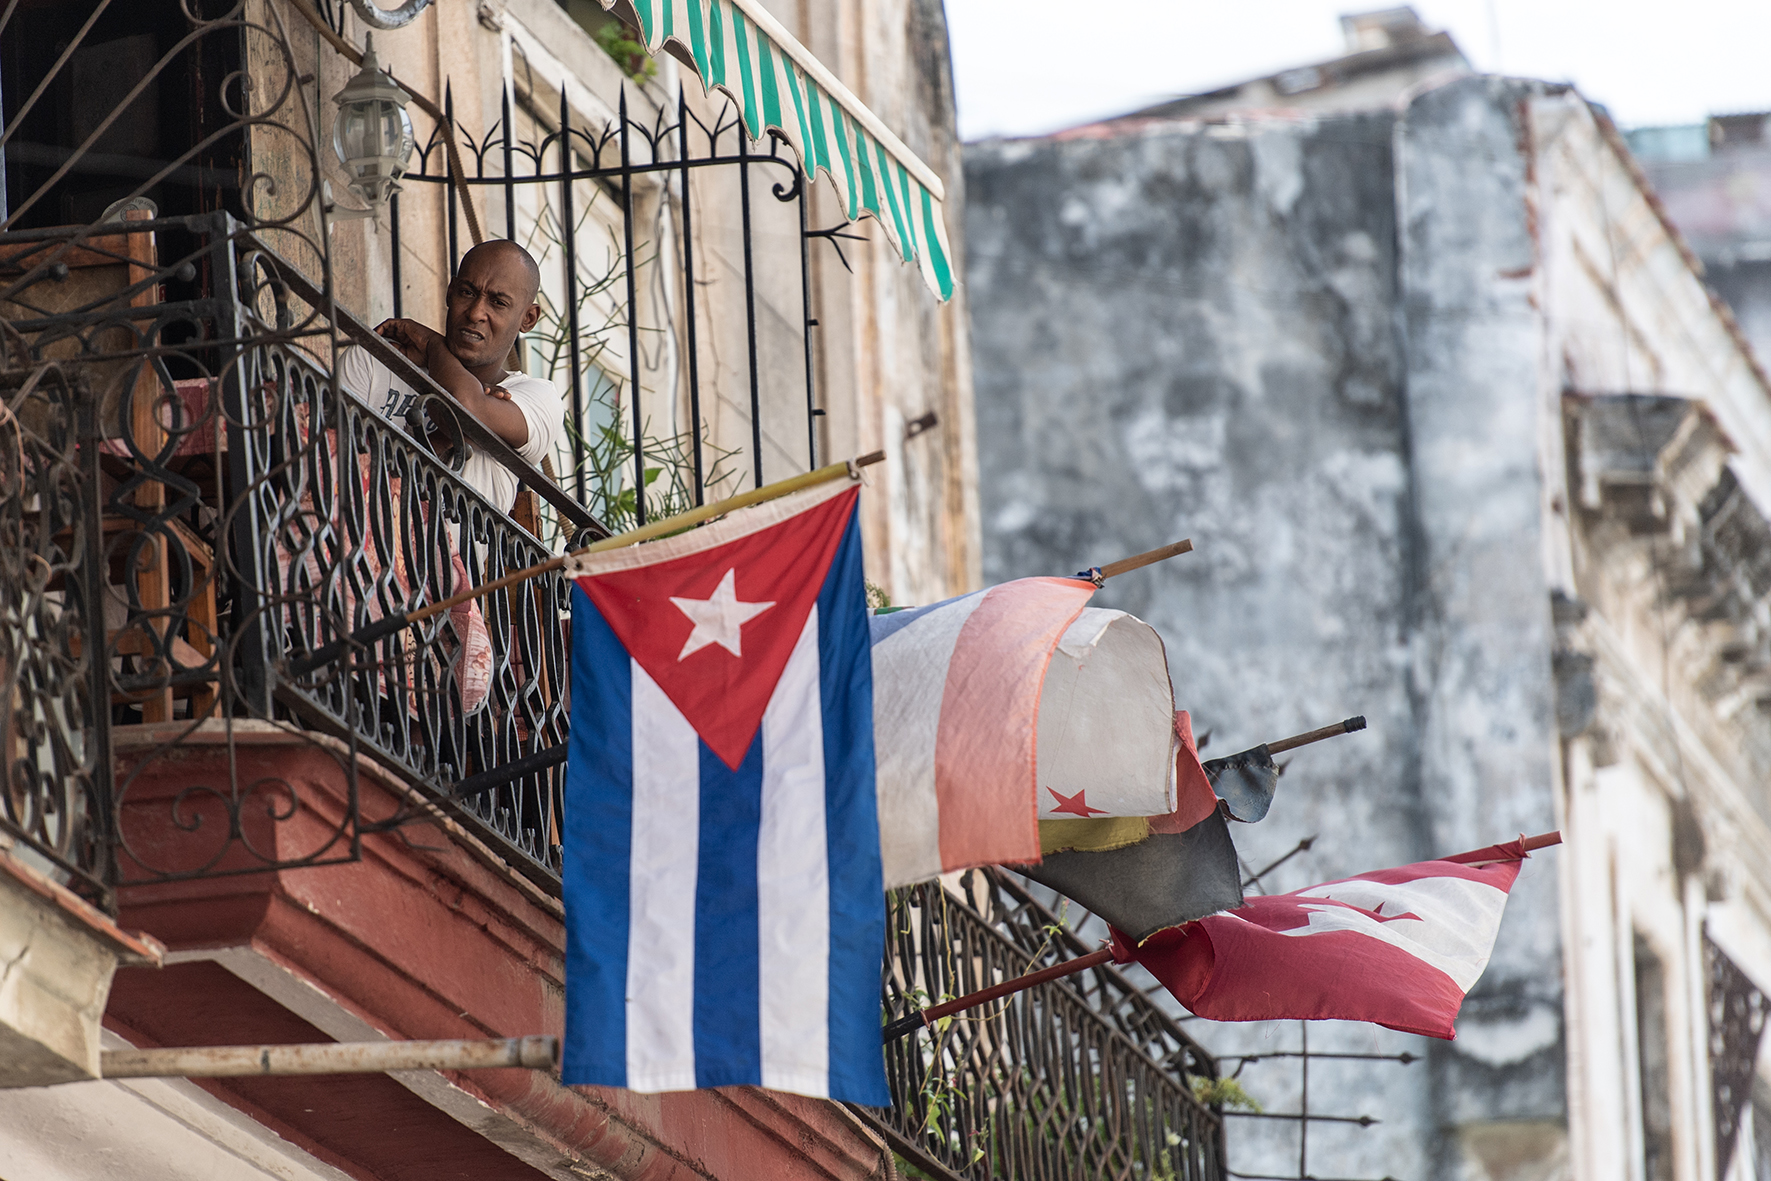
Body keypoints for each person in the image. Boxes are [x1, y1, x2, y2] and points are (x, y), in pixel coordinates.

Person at [336, 239, 562, 514]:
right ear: (450, 292)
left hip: (443, 556)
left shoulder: (536, 397)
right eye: (467, 292)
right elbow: (330, 460)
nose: (476, 312)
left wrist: (433, 346)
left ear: (528, 318)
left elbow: (462, 411)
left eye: (498, 302)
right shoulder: (375, 361)